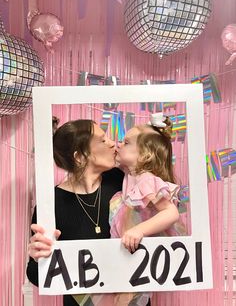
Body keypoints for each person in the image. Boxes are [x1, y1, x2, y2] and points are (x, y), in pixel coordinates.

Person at [26, 118, 152, 306]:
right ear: (80, 156)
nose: (112, 143)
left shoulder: (123, 181)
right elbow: (37, 277)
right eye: (103, 140)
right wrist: (37, 257)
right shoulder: (50, 205)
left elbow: (161, 194)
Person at [107, 112, 182, 306]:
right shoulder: (130, 174)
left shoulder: (146, 180)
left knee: (132, 296)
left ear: (144, 155)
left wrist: (138, 230)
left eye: (126, 142)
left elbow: (171, 212)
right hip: (127, 253)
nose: (118, 144)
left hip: (139, 250)